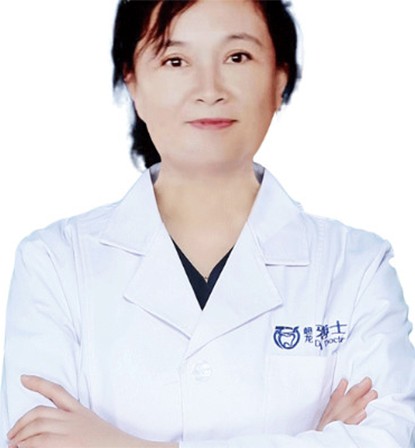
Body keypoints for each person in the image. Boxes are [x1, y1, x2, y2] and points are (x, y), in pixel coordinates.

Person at [1, 0, 415, 447]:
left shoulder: (356, 267)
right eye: (175, 60)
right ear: (132, 81)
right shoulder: (54, 263)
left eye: (237, 57)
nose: (209, 90)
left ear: (280, 78)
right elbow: (36, 441)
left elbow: (386, 439)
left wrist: (126, 444)